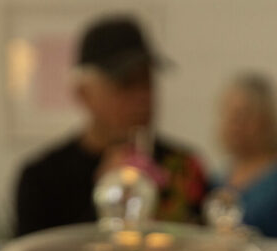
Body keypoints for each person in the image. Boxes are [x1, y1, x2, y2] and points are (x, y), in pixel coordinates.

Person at [14, 14, 208, 237]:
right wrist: (107, 198)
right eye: (126, 83)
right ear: (84, 94)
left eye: (146, 82)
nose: (142, 96)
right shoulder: (42, 179)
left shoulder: (183, 167)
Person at [214, 73, 277, 245]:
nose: (235, 124)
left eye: (244, 115)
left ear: (267, 121)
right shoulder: (218, 178)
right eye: (230, 114)